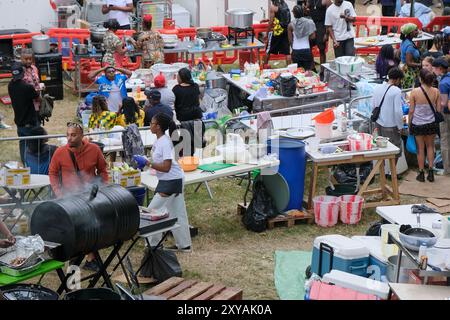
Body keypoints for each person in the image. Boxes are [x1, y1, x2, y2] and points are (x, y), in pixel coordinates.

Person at [49, 122, 109, 272]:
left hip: (90, 197)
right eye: (68, 135)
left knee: (92, 228)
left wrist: (102, 187)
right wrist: (59, 193)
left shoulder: (94, 149)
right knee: (75, 229)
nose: (69, 138)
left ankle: (90, 259)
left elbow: (103, 170)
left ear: (82, 136)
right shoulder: (60, 152)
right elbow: (53, 173)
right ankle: (74, 262)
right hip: (69, 198)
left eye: (73, 135)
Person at [133, 113, 192, 253]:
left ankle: (153, 245)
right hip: (170, 179)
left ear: (158, 127)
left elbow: (166, 167)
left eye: (152, 123)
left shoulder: (165, 142)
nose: (150, 125)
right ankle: (184, 245)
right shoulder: (159, 140)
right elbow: (159, 162)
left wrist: (147, 162)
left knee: (153, 212)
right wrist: (145, 160)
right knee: (177, 212)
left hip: (171, 181)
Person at [408, 69, 441, 182]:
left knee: (420, 149)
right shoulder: (436, 91)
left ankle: (421, 172)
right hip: (431, 123)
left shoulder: (414, 92)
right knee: (430, 147)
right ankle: (431, 171)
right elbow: (438, 109)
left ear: (421, 79)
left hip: (418, 123)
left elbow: (411, 111)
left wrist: (409, 124)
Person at [8, 63, 40, 164]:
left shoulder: (10, 86)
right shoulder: (27, 87)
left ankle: (24, 161)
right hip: (29, 121)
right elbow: (37, 98)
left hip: (19, 121)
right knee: (35, 142)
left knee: (22, 142)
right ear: (23, 74)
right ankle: (33, 162)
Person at [371, 68, 405, 161]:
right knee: (394, 151)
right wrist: (400, 126)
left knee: (381, 149)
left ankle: (383, 171)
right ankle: (391, 173)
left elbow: (373, 105)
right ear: (397, 79)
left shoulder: (377, 87)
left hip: (378, 122)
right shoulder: (396, 91)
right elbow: (398, 111)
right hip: (391, 125)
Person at [305, 0, 332, 79]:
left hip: (321, 26)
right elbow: (307, 12)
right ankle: (312, 68)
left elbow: (329, 17)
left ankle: (322, 71)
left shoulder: (326, 1)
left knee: (322, 50)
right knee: (309, 48)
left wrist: (326, 33)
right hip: (311, 25)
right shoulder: (309, 1)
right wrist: (305, 10)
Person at [432, 57, 450, 174]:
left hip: (447, 114)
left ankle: (447, 169)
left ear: (439, 69)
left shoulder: (443, 83)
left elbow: (443, 103)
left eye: (434, 68)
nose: (433, 71)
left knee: (445, 140)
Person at [288, 5, 316, 71]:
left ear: (294, 14)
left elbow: (290, 40)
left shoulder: (290, 25)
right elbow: (313, 36)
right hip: (306, 49)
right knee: (308, 72)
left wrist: (293, 49)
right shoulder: (309, 22)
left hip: (296, 50)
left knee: (297, 72)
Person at [264, 0, 292, 66]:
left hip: (277, 31)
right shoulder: (285, 4)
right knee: (287, 52)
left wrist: (267, 34)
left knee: (268, 50)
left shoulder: (273, 7)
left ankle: (264, 67)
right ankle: (290, 70)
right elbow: (281, 18)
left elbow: (271, 22)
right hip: (285, 31)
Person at [21, 48, 43, 112]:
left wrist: (40, 86)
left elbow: (37, 81)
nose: (28, 61)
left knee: (38, 118)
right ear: (21, 59)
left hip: (37, 98)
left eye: (30, 59)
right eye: (26, 59)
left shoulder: (34, 68)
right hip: (27, 101)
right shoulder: (20, 70)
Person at [400, 23, 421, 89]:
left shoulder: (405, 41)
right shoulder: (410, 46)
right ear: (410, 32)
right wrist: (420, 65)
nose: (418, 32)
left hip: (404, 69)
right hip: (409, 73)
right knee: (409, 92)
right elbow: (409, 62)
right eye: (416, 30)